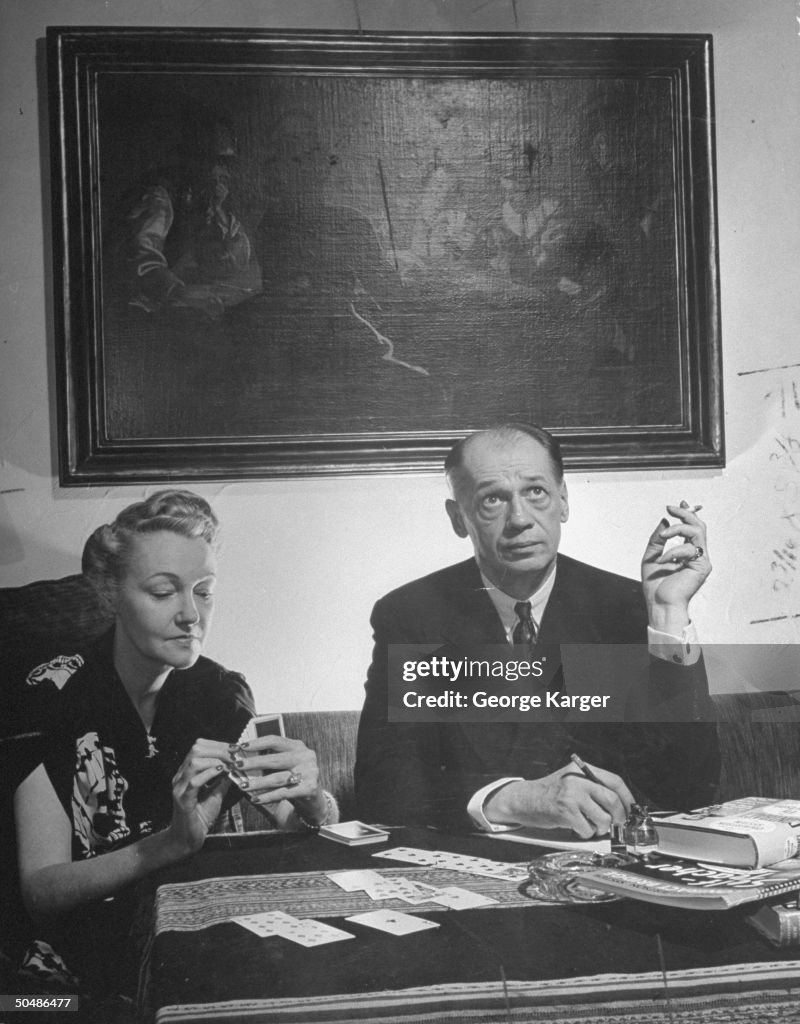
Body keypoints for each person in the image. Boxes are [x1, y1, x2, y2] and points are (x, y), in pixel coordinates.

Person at [12, 490, 337, 999]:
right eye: (164, 592)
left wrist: (316, 802)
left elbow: (294, 825)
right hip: (61, 979)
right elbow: (41, 891)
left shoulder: (221, 694)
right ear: (109, 594)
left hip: (188, 941)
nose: (191, 615)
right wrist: (168, 846)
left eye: (204, 591)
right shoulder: (48, 696)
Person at [355, 423, 719, 835]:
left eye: (536, 492)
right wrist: (511, 798)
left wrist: (668, 616)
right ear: (459, 517)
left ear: (563, 501)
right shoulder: (411, 615)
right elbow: (381, 785)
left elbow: (692, 788)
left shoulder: (627, 607)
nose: (519, 519)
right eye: (493, 498)